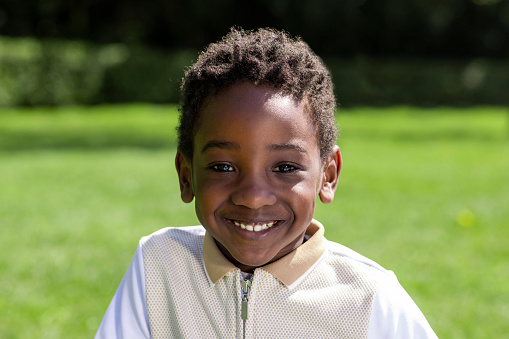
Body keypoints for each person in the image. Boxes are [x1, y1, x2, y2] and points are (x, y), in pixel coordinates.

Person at [95, 27, 438, 338]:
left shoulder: (370, 299)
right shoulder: (158, 265)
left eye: (286, 167)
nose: (253, 197)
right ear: (187, 176)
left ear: (328, 175)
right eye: (223, 167)